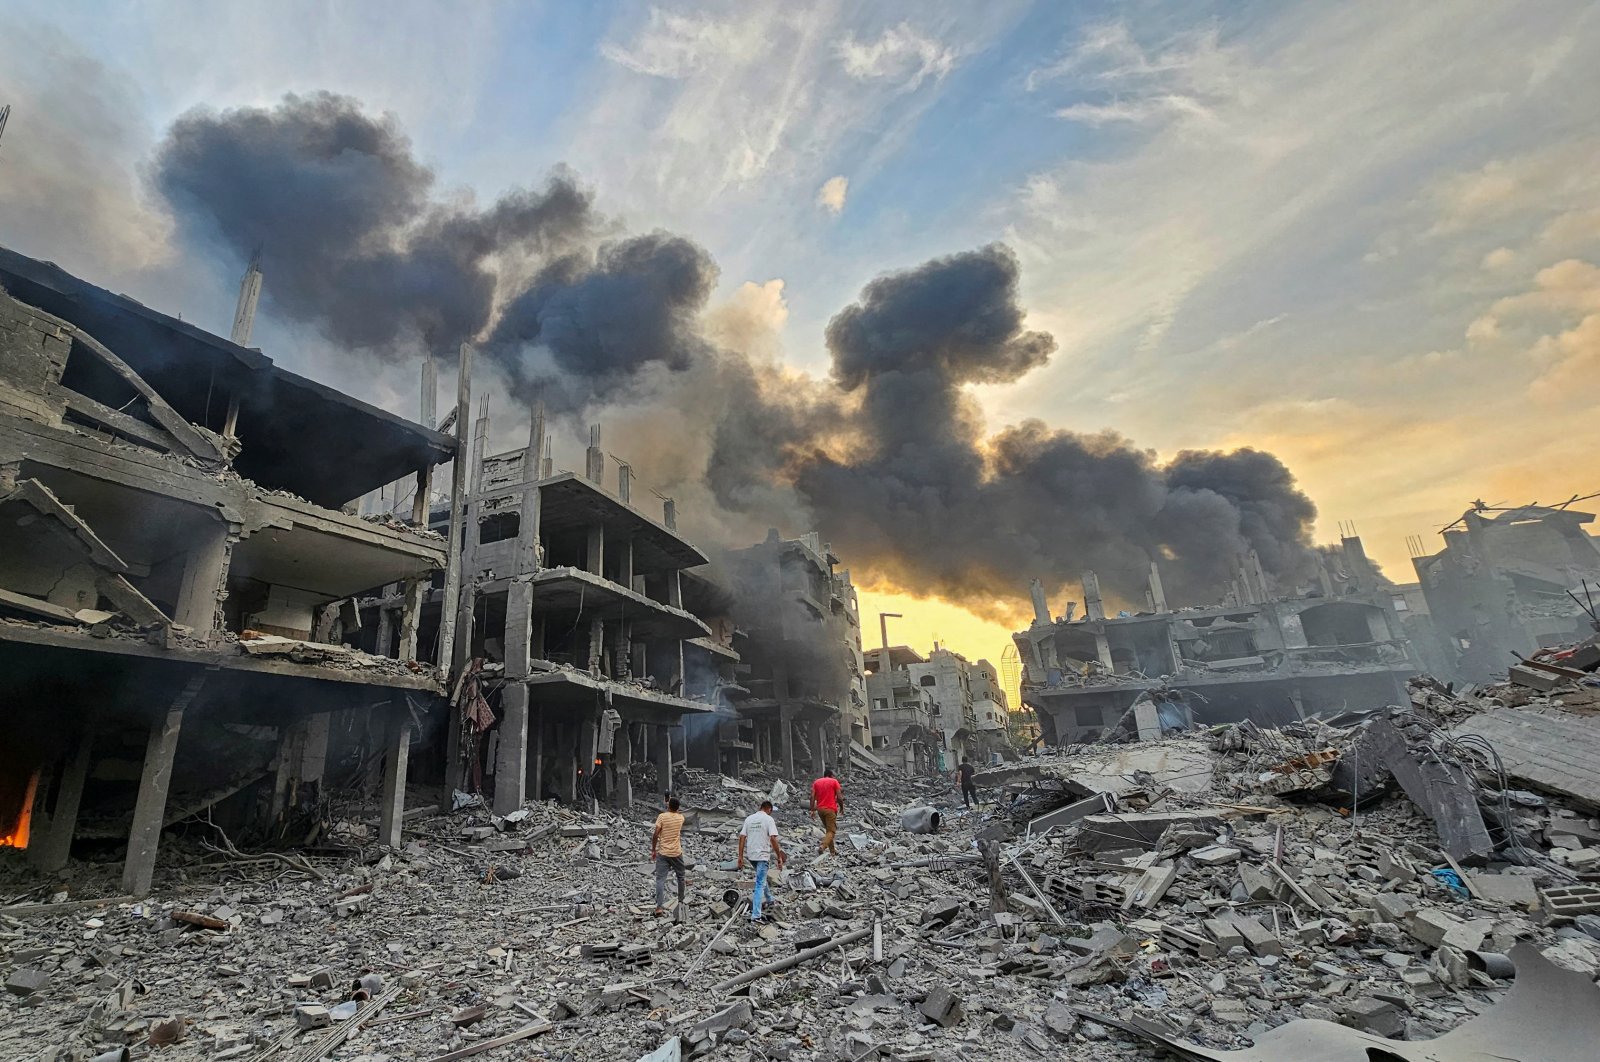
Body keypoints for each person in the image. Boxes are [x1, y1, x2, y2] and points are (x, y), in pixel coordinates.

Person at [736, 799, 785, 921]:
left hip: (751, 855)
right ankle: (756, 915)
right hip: (762, 855)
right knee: (759, 884)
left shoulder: (749, 819)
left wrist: (740, 856)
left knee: (761, 878)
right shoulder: (768, 819)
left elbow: (742, 838)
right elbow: (773, 838)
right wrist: (779, 856)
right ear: (769, 809)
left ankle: (769, 899)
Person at [651, 795, 687, 916]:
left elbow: (656, 834)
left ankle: (659, 907)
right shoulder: (681, 818)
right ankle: (681, 901)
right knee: (681, 877)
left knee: (660, 880)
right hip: (676, 853)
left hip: (663, 853)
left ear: (668, 805)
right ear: (678, 807)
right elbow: (676, 812)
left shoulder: (662, 817)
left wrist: (653, 849)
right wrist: (672, 805)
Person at [809, 768, 843, 858]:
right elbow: (839, 797)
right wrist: (842, 807)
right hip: (830, 809)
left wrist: (812, 810)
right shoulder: (834, 781)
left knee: (828, 830)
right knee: (832, 831)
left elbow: (812, 797)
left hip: (820, 810)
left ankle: (832, 852)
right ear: (831, 775)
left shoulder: (817, 782)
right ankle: (822, 846)